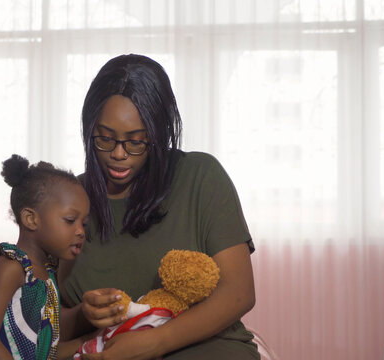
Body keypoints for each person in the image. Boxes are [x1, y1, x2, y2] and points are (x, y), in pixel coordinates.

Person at [58, 54, 260, 359]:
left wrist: (156, 342)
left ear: (160, 132)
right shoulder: (65, 200)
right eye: (104, 139)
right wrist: (85, 315)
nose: (119, 154)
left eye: (137, 141)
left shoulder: (200, 176)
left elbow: (239, 293)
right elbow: (42, 327)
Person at [0, 154, 91, 360]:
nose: (80, 231)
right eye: (70, 220)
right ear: (31, 219)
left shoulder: (48, 274)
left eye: (84, 224)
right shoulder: (11, 267)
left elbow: (46, 348)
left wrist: (89, 341)